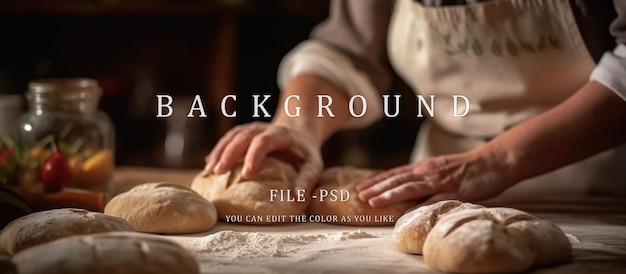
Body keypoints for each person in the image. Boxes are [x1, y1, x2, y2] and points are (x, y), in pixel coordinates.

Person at [204, 0, 626, 208]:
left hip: (597, 191)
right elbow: (346, 55)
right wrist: (298, 125)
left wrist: (496, 160)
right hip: (436, 191)